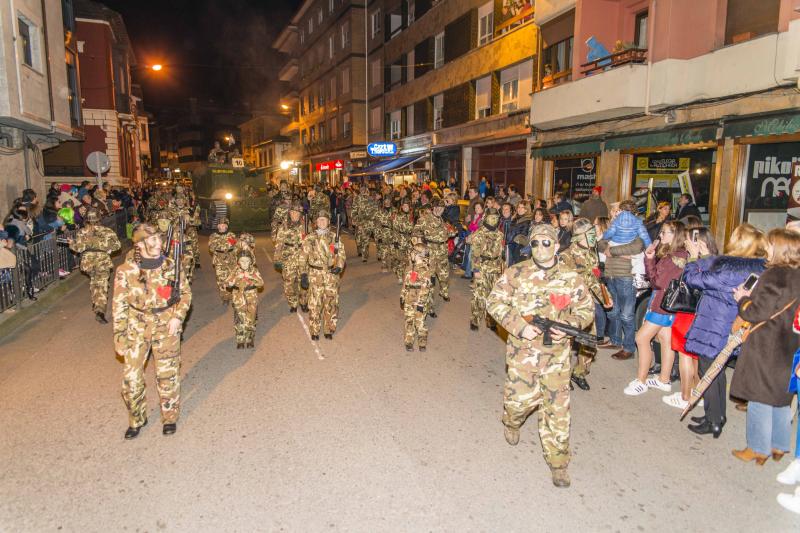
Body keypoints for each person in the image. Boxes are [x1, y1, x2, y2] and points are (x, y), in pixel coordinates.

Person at [487, 223, 594, 488]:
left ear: (557, 246)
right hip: (523, 357)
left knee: (558, 412)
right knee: (518, 404)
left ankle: (558, 464)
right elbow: (494, 302)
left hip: (557, 360)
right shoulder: (516, 273)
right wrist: (520, 326)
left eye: (546, 242)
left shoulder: (571, 278)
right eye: (535, 243)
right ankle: (511, 422)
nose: (540, 248)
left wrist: (570, 327)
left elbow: (586, 310)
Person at [671, 226, 766, 436]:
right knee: (718, 369)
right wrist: (704, 257)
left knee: (709, 371)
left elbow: (694, 279)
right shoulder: (760, 267)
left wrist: (694, 258)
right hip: (731, 320)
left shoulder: (730, 267)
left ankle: (713, 421)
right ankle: (716, 414)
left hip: (715, 322)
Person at [112, 224, 192, 439]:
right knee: (131, 378)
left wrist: (178, 316)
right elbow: (119, 305)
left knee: (167, 375)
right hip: (136, 327)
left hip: (166, 326)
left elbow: (185, 294)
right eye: (153, 240)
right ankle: (137, 418)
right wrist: (119, 337)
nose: (159, 244)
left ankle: (170, 417)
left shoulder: (171, 265)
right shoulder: (126, 271)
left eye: (159, 238)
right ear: (139, 244)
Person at [731, 229, 800, 463]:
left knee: (759, 395)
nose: (767, 248)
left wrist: (742, 298)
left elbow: (757, 312)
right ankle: (779, 446)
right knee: (781, 394)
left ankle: (758, 448)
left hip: (766, 343)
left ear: (780, 249)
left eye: (770, 244)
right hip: (789, 341)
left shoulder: (774, 276)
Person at [624, 221, 688, 396]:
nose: (661, 236)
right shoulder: (679, 255)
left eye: (665, 233)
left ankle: (641, 380)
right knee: (665, 340)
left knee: (642, 338)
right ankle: (664, 379)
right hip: (669, 305)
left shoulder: (673, 258)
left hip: (661, 305)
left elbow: (657, 282)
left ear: (676, 235)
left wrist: (649, 259)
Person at [561, 218, 605, 391]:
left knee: (589, 343)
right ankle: (562, 376)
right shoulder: (566, 256)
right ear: (579, 237)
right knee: (566, 343)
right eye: (590, 234)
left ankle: (579, 373)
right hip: (569, 308)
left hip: (587, 306)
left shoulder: (592, 254)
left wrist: (604, 298)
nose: (594, 237)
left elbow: (594, 280)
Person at [67, 208, 121, 323]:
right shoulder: (107, 231)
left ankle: (97, 302)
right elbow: (117, 246)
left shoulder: (82, 232)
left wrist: (71, 243)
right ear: (99, 218)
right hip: (102, 261)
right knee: (101, 284)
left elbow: (78, 248)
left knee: (95, 282)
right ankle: (100, 310)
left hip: (88, 263)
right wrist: (109, 249)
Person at [300, 208, 346, 340]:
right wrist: (303, 274)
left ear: (328, 222)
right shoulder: (310, 238)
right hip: (315, 274)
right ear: (316, 222)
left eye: (324, 220)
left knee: (330, 303)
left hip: (331, 275)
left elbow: (341, 255)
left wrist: (339, 266)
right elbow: (302, 257)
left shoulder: (334, 237)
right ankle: (314, 330)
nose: (321, 222)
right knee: (314, 304)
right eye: (319, 220)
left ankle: (328, 329)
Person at [468, 209, 504, 331]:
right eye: (491, 217)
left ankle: (491, 321)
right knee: (479, 295)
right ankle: (475, 320)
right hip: (482, 266)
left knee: (493, 295)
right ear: (486, 218)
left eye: (496, 218)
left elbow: (500, 254)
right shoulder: (479, 233)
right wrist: (476, 270)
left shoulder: (499, 234)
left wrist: (501, 269)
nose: (493, 220)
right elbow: (474, 254)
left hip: (495, 267)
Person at [225, 251, 264, 349]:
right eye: (242, 261)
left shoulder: (254, 270)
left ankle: (250, 339)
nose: (245, 263)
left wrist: (251, 277)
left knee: (251, 319)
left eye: (247, 261)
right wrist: (237, 278)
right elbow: (227, 283)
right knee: (239, 319)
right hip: (238, 298)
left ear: (251, 262)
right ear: (238, 262)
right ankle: (240, 339)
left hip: (251, 298)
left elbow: (261, 283)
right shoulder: (235, 271)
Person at [274, 202, 308, 313]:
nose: (295, 215)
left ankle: (303, 302)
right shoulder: (284, 226)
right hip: (288, 258)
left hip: (303, 258)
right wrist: (277, 259)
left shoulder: (306, 225)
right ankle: (293, 303)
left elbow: (311, 242)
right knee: (288, 283)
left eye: (297, 213)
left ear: (300, 214)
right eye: (293, 212)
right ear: (290, 213)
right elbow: (279, 243)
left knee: (303, 282)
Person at [401, 241, 433, 352]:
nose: (410, 254)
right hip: (409, 299)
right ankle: (409, 341)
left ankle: (422, 343)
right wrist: (402, 295)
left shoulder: (425, 270)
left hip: (419, 300)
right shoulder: (411, 267)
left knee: (420, 323)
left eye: (412, 252)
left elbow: (425, 289)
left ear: (418, 255)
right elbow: (406, 282)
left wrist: (420, 304)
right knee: (409, 321)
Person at [208, 217, 237, 304]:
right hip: (219, 262)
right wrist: (225, 245)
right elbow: (211, 248)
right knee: (221, 281)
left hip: (231, 261)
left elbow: (233, 245)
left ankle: (235, 297)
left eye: (224, 225)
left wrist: (220, 245)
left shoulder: (231, 235)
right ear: (217, 226)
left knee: (232, 279)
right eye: (220, 224)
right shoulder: (213, 236)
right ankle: (225, 297)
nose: (222, 226)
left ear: (227, 226)